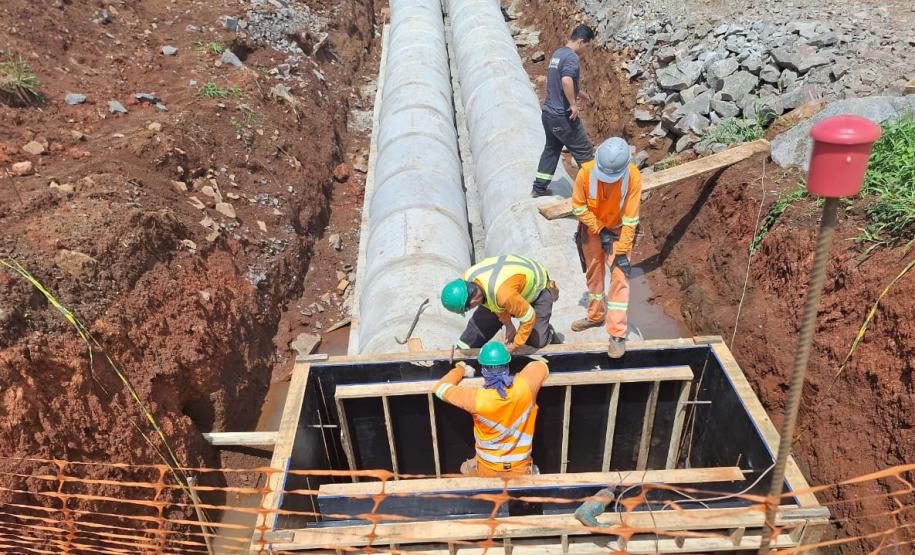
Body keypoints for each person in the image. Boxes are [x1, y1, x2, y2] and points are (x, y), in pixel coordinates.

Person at [569, 137, 642, 358]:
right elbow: (578, 207)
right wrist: (600, 230)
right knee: (594, 274)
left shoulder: (632, 178)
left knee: (620, 278)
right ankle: (595, 315)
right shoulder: (586, 173)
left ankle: (618, 334)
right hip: (592, 230)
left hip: (620, 232)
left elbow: (631, 219)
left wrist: (621, 252)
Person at [432, 341, 549, 476]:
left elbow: (439, 388)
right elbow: (541, 365)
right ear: (507, 366)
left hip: (487, 469)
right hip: (521, 468)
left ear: (484, 370)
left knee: (465, 467)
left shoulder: (476, 398)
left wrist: (461, 370)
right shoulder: (525, 386)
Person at [440, 255, 561, 353]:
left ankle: (549, 334)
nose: (469, 310)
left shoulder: (503, 294)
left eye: (467, 308)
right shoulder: (466, 280)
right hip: (508, 288)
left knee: (536, 341)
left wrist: (515, 345)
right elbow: (493, 304)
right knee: (479, 325)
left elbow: (529, 317)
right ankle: (462, 354)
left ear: (472, 301)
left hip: (537, 291)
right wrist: (509, 325)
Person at [531, 24, 596, 198]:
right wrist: (573, 104)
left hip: (548, 114)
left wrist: (580, 94)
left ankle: (538, 188)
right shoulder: (572, 58)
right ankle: (597, 196)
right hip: (562, 117)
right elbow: (566, 80)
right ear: (582, 41)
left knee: (551, 149)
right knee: (585, 152)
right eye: (587, 46)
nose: (586, 50)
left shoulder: (558, 54)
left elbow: (562, 80)